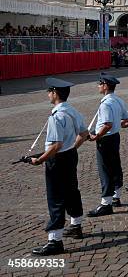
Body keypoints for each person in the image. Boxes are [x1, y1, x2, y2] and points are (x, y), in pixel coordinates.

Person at [31, 78, 89, 255]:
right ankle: (76, 225)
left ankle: (55, 240)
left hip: (58, 159)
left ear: (55, 93)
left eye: (49, 91)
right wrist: (72, 148)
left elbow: (55, 145)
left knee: (56, 197)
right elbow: (84, 133)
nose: (48, 94)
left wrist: (40, 159)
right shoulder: (72, 111)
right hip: (70, 155)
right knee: (72, 190)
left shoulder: (57, 116)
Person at [88, 74, 128, 217]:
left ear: (105, 86)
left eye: (100, 84)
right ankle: (116, 196)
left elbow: (107, 124)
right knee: (115, 166)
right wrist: (116, 124)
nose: (98, 86)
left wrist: (96, 135)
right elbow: (126, 119)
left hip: (105, 139)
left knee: (105, 170)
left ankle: (106, 203)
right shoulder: (118, 100)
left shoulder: (106, 103)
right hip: (115, 137)